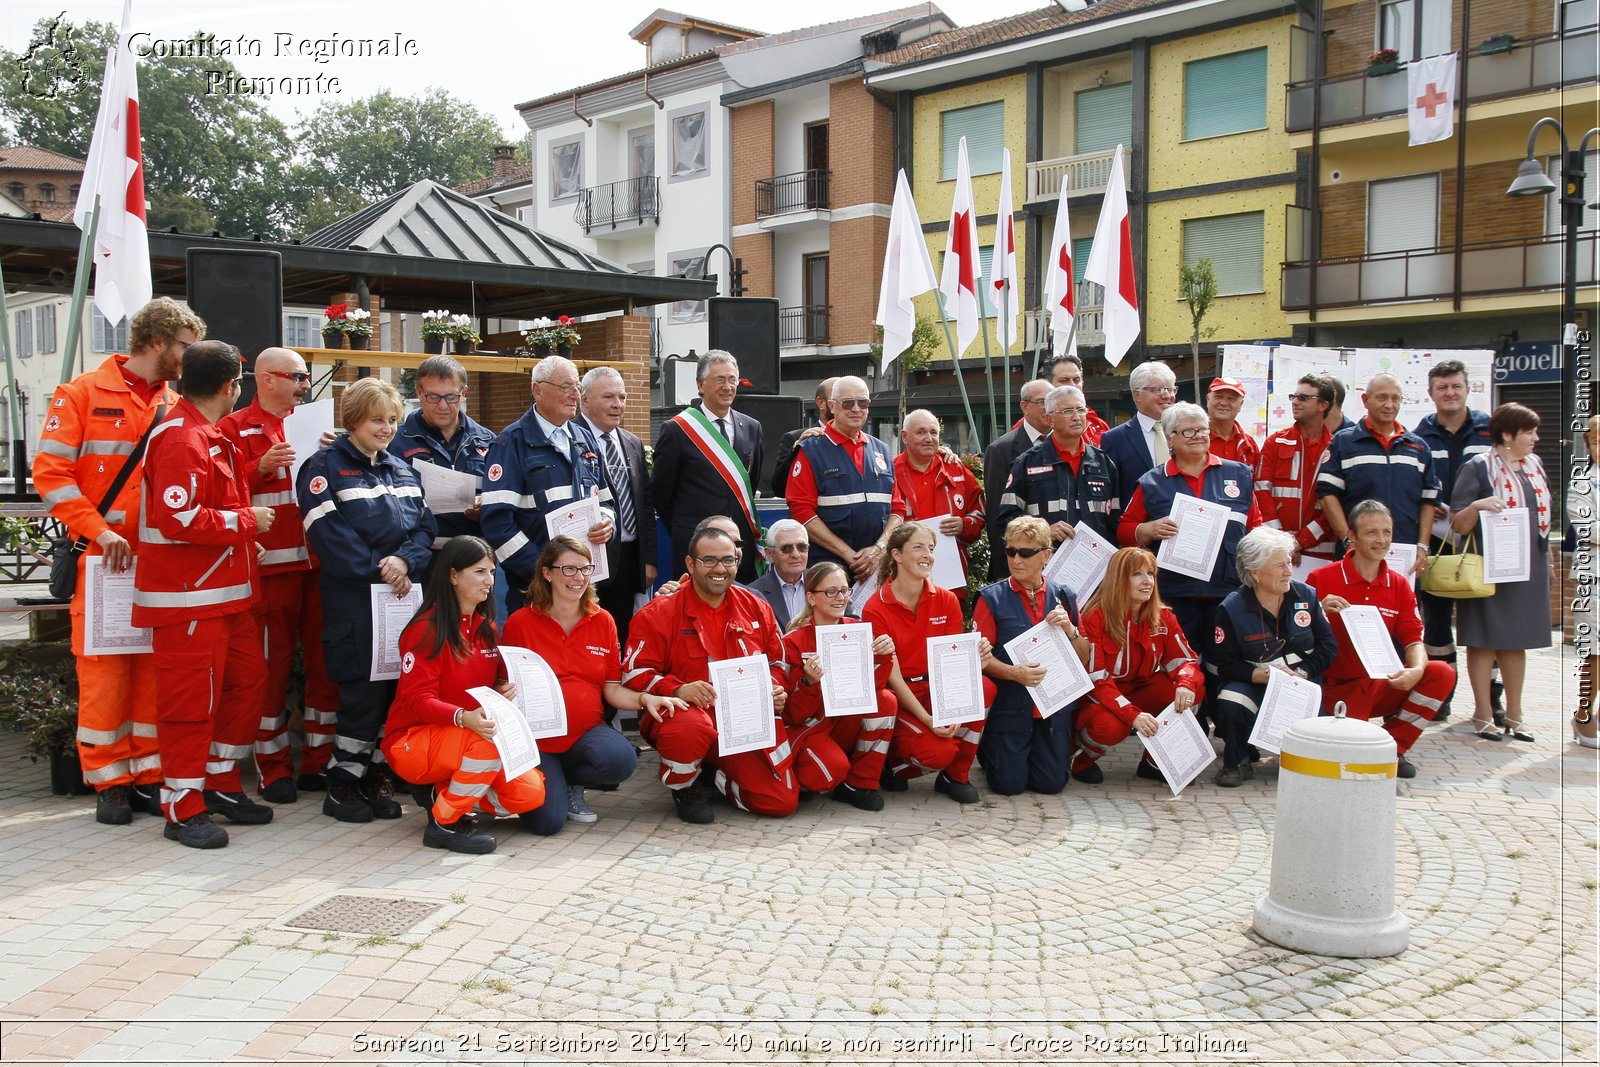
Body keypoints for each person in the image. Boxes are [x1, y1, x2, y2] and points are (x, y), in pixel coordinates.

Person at [35, 296, 196, 825]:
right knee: (104, 672)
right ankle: (109, 781)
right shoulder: (81, 393)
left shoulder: (173, 403)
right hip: (102, 562)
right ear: (156, 342)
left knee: (152, 669)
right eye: (184, 347)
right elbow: (51, 475)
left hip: (156, 563)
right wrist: (99, 533)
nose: (189, 358)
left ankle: (148, 775)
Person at [133, 340, 273, 848]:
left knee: (246, 685)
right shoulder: (180, 437)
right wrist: (246, 523)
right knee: (191, 705)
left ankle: (217, 785)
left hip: (224, 596)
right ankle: (182, 806)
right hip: (188, 602)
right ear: (231, 386)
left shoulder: (204, 431)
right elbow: (176, 519)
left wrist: (241, 539)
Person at [297, 378, 437, 823]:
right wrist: (386, 566)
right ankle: (342, 784)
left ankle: (376, 777)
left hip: (401, 599)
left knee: (396, 694)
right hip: (356, 603)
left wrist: (405, 561)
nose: (387, 428)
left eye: (393, 419)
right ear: (353, 420)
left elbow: (425, 529)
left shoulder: (402, 468)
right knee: (361, 696)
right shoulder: (323, 468)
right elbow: (332, 539)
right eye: (377, 419)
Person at [218, 346, 338, 804]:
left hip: (319, 566)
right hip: (271, 572)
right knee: (269, 673)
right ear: (266, 379)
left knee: (325, 669)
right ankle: (271, 768)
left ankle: (318, 762)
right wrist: (257, 468)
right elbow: (216, 496)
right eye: (298, 376)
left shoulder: (312, 426)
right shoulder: (231, 429)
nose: (305, 385)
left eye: (306, 378)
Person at [502, 536, 683, 832]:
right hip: (539, 742)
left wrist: (644, 699)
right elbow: (504, 686)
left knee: (620, 761)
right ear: (547, 573)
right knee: (547, 824)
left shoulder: (603, 621)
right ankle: (551, 783)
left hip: (584, 734)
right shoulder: (519, 623)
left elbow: (611, 688)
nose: (579, 578)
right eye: (569, 570)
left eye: (585, 569)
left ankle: (571, 783)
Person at [621, 521, 796, 823]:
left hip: (742, 722)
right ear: (690, 563)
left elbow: (778, 662)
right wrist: (677, 689)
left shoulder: (756, 607)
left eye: (728, 560)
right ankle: (684, 785)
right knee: (690, 727)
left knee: (780, 802)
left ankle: (713, 777)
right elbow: (633, 674)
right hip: (686, 717)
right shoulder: (659, 612)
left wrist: (776, 687)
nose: (720, 568)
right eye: (709, 560)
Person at [382, 536, 544, 854]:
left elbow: (483, 688)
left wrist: (501, 692)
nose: (489, 581)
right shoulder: (426, 629)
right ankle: (444, 823)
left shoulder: (487, 629)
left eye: (492, 572)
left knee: (530, 794)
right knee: (485, 743)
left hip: (467, 738)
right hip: (412, 741)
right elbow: (417, 700)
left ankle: (444, 795)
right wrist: (462, 717)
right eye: (480, 572)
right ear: (453, 576)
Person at [1308, 500, 1456, 776]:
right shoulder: (1321, 578)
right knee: (1348, 758)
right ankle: (1363, 747)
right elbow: (1297, 636)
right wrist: (1317, 611)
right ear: (1351, 536)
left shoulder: (1399, 584)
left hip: (1381, 685)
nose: (1382, 540)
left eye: (1387, 532)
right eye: (1372, 532)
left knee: (1441, 673)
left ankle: (1393, 748)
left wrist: (1416, 669)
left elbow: (1414, 638)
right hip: (1336, 690)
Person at [860, 522, 994, 803]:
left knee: (984, 687)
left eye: (931, 549)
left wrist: (974, 660)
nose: (927, 555)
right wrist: (928, 720)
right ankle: (894, 765)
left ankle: (956, 776)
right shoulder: (875, 607)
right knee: (938, 752)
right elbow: (893, 676)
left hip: (937, 688)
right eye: (918, 547)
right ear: (896, 555)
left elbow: (952, 661)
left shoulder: (946, 600)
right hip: (903, 697)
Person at [1119, 401, 1262, 657]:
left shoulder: (1238, 474)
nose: (1198, 436)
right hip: (1175, 594)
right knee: (1183, 660)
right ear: (1170, 438)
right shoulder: (1152, 481)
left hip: (1228, 590)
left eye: (1203, 430)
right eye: (1188, 431)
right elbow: (1124, 530)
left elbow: (1256, 528)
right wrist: (1148, 530)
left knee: (1227, 660)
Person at [1449, 402, 1551, 743]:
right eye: (1530, 432)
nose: (1536, 438)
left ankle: (1516, 713)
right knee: (1482, 639)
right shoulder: (1478, 467)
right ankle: (1482, 712)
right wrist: (1478, 506)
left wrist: (1548, 560)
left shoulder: (1533, 466)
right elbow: (1457, 520)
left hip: (1528, 564)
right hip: (1489, 564)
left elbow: (1541, 521)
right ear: (1508, 435)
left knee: (1516, 639)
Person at [482, 355, 614, 610]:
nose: (575, 395)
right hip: (534, 590)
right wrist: (544, 572)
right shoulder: (510, 443)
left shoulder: (585, 439)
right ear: (537, 390)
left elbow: (606, 501)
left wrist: (608, 523)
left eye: (578, 387)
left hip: (581, 585)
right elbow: (497, 524)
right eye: (566, 387)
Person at [1208, 527, 1336, 786]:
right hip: (1257, 683)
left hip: (1302, 682)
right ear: (1255, 572)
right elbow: (1225, 665)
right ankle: (1237, 761)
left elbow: (1328, 647)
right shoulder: (1231, 609)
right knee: (1231, 699)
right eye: (1280, 565)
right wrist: (1261, 675)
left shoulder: (1307, 595)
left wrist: (1302, 674)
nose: (1289, 571)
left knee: (1313, 761)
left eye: (1289, 562)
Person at [973, 516, 1090, 795]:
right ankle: (990, 748)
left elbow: (1084, 656)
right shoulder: (991, 598)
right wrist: (1015, 673)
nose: (1016, 560)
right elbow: (980, 659)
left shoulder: (1066, 595)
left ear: (1046, 556)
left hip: (1052, 710)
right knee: (1008, 786)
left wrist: (1069, 628)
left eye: (1026, 552)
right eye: (1011, 551)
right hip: (1011, 707)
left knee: (1051, 785)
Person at [1070, 547, 1204, 784]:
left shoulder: (1163, 616)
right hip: (1101, 695)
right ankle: (1078, 761)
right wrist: (1132, 715)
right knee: (1110, 727)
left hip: (1139, 690)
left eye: (1151, 574)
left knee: (1193, 690)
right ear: (1119, 579)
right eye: (1137, 574)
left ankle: (1154, 762)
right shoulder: (1095, 616)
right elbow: (1097, 682)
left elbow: (1186, 661)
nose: (1147, 581)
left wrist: (1185, 682)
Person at [775, 561, 897, 811]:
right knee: (827, 774)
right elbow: (791, 714)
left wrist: (884, 656)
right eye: (831, 592)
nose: (840, 598)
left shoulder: (858, 631)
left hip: (845, 721)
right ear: (811, 597)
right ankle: (801, 774)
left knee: (886, 700)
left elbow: (872, 691)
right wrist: (808, 683)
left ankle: (861, 782)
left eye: (844, 590)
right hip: (811, 728)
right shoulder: (793, 642)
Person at [1413, 359, 1494, 722]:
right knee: (1436, 623)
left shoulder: (1491, 430)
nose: (1450, 393)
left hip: (1485, 542)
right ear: (1431, 393)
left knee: (1489, 623)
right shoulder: (1419, 435)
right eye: (1442, 387)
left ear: (1467, 389)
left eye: (1456, 386)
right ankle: (1440, 696)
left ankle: (1492, 702)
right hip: (1438, 541)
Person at [651, 351, 765, 585]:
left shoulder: (752, 427)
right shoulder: (677, 429)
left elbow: (749, 483)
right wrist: (690, 528)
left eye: (732, 379)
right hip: (697, 545)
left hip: (739, 545)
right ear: (701, 385)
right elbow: (662, 494)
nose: (728, 386)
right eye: (719, 380)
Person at [1317, 372, 1439, 566]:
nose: (1389, 405)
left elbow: (1428, 500)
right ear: (1365, 400)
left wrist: (1423, 546)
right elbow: (1327, 495)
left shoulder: (1419, 447)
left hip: (1404, 554)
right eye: (1382, 397)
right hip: (1357, 554)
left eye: (1395, 398)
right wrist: (1348, 540)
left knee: (1402, 598)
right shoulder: (1343, 442)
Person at [574, 365, 656, 647]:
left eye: (622, 398)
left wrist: (648, 558)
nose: (617, 405)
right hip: (589, 559)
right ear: (584, 399)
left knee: (621, 636)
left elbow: (645, 503)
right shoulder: (570, 438)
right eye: (609, 397)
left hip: (631, 559)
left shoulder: (632, 442)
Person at [786, 376, 897, 579]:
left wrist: (879, 549)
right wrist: (849, 555)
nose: (856, 408)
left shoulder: (882, 449)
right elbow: (801, 512)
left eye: (862, 402)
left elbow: (898, 510)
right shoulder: (811, 449)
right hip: (828, 566)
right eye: (848, 403)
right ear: (832, 406)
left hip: (876, 565)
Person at [387, 355, 494, 550]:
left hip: (474, 556)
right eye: (433, 397)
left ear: (464, 393)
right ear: (419, 392)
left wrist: (487, 504)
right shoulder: (395, 442)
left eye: (451, 397)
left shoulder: (488, 441)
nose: (443, 406)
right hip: (419, 556)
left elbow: (502, 493)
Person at [996, 384, 1119, 548]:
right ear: (1050, 419)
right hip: (1044, 563)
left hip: (1095, 565)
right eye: (1068, 411)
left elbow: (1117, 520)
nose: (1076, 417)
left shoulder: (1103, 462)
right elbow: (1006, 520)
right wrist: (1043, 531)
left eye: (1081, 410)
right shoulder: (1026, 463)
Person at [1254, 374, 1336, 569]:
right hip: (1276, 547)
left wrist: (1302, 541)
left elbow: (1336, 504)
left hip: (1320, 550)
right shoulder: (1275, 442)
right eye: (1294, 396)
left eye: (1303, 398)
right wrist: (1282, 541)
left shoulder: (1336, 448)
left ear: (1323, 405)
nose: (1295, 402)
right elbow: (1260, 493)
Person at [890, 409, 984, 578]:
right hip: (903, 574)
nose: (928, 438)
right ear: (904, 437)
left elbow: (980, 509)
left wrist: (965, 524)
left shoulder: (956, 469)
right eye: (920, 432)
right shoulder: (890, 473)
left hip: (950, 575)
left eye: (933, 432)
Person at [983, 379, 1052, 581]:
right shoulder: (1001, 450)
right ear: (1024, 406)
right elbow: (998, 515)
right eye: (1042, 402)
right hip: (1017, 564)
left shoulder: (1062, 447)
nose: (1048, 408)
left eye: (1052, 401)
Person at [1568, 414, 1600, 749]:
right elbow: (1587, 527)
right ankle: (1583, 715)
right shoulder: (1583, 482)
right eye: (1596, 441)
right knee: (1594, 651)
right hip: (1594, 576)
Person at [771, 378, 835, 497]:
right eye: (838, 397)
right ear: (821, 403)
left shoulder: (865, 443)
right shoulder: (794, 438)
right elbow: (779, 488)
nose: (850, 406)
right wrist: (797, 449)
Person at [747, 518, 809, 630]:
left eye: (802, 547)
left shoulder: (827, 583)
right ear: (769, 554)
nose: (796, 554)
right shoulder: (752, 595)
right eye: (786, 548)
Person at [1049, 354, 1109, 445]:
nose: (1072, 385)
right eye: (1064, 380)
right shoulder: (1033, 424)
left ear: (1083, 384)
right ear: (1049, 385)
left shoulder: (1099, 426)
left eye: (1076, 380)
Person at [1205, 376, 1258, 468]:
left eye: (1231, 399)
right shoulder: (1194, 439)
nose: (1224, 403)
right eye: (1218, 397)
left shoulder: (1249, 444)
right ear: (1208, 399)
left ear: (1241, 405)